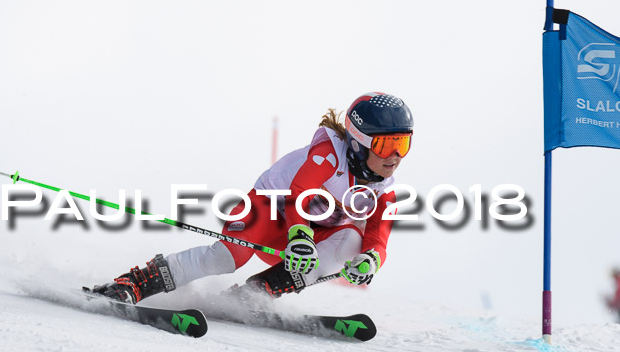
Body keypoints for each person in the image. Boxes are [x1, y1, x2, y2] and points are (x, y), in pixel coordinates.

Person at [90, 92, 414, 304]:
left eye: (404, 145)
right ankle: (135, 282)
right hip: (268, 213)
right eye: (387, 145)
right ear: (358, 141)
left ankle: (250, 297)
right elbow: (299, 192)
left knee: (352, 246)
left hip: (300, 242)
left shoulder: (383, 190)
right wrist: (300, 235)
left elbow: (379, 237)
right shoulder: (329, 153)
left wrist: (372, 259)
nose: (396, 156)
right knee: (225, 258)